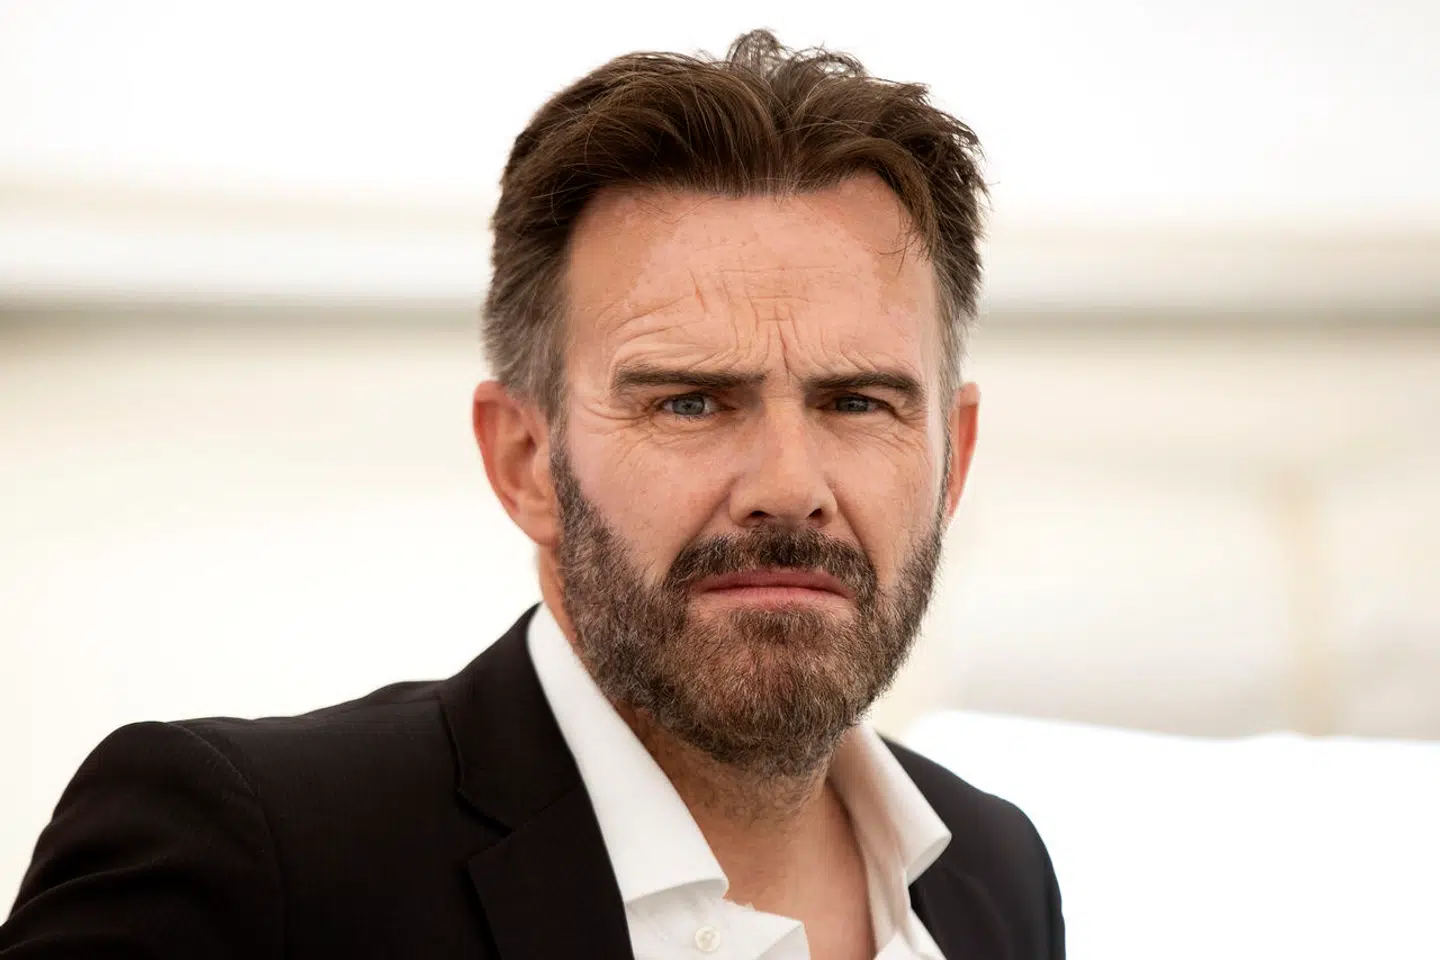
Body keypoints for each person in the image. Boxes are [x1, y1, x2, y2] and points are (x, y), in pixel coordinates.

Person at [0, 29, 1063, 960]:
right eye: (690, 402)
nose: (789, 487)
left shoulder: (994, 874)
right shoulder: (250, 859)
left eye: (859, 402)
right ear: (523, 460)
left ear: (953, 458)